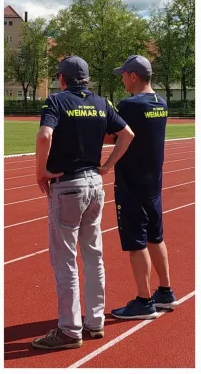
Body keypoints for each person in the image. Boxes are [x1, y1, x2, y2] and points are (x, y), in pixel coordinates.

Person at [31, 55, 134, 350]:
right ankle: (95, 321)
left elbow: (44, 136)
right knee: (93, 256)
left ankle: (69, 330)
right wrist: (108, 165)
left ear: (62, 79)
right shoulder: (102, 103)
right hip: (95, 184)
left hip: (68, 186)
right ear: (86, 78)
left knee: (65, 262)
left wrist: (41, 172)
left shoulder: (56, 101)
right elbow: (127, 134)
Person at [109, 55, 177, 320]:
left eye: (124, 75)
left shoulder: (129, 105)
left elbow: (111, 135)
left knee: (136, 242)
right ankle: (165, 291)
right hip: (153, 182)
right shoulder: (162, 102)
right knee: (155, 236)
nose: (123, 80)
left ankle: (143, 300)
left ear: (133, 76)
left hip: (131, 182)